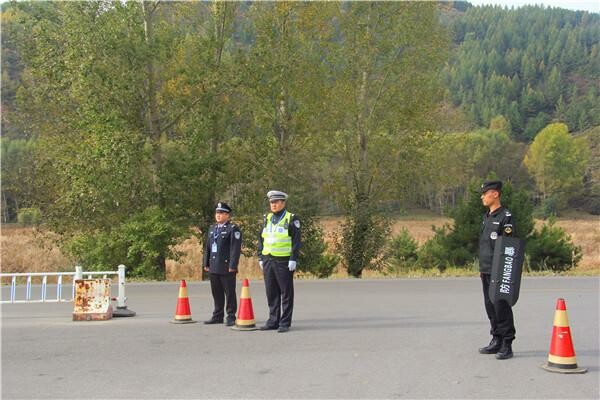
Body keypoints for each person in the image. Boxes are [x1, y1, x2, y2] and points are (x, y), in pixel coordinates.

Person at [478, 180, 516, 360]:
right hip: (486, 268)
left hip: (499, 270)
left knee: (501, 306)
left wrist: (503, 270)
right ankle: (496, 339)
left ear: (495, 194)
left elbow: (508, 245)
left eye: (485, 194)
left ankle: (507, 343)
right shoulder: (487, 217)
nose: (482, 197)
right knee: (490, 306)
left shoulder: (505, 217)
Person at [257, 190, 301, 333]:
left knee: (285, 292)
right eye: (271, 202)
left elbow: (296, 241)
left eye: (276, 202)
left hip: (283, 261)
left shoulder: (291, 218)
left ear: (283, 203)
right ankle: (273, 320)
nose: (273, 205)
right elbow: (261, 238)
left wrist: (293, 258)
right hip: (268, 259)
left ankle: (285, 322)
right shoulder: (267, 218)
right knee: (271, 292)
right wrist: (260, 256)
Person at [202, 202, 242, 326]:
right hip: (214, 265)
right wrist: (206, 262)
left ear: (227, 215)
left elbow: (235, 249)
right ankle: (217, 315)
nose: (218, 215)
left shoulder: (232, 228)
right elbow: (208, 247)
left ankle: (231, 316)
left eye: (221, 213)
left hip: (226, 266)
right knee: (216, 292)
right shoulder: (212, 228)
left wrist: (233, 265)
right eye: (217, 213)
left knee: (229, 293)